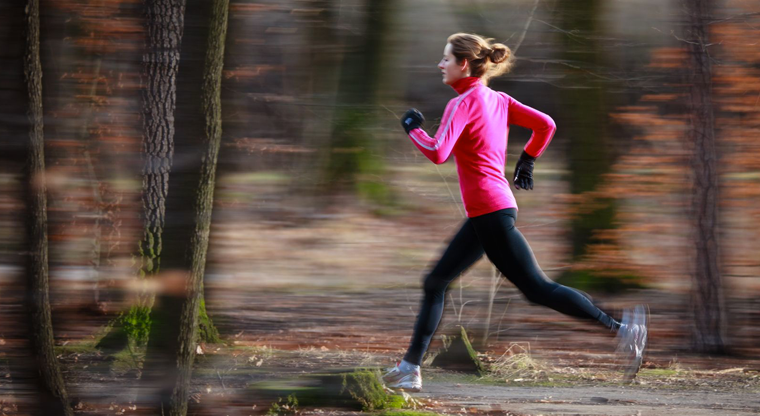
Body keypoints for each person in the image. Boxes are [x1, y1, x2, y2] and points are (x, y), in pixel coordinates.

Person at [383, 33, 647, 392]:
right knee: (437, 282)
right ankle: (409, 367)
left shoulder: (460, 104)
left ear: (463, 64)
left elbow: (438, 152)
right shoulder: (499, 100)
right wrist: (528, 160)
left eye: (445, 58)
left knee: (537, 288)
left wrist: (413, 130)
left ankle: (622, 329)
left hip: (490, 212)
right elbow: (546, 125)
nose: (440, 64)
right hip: (492, 210)